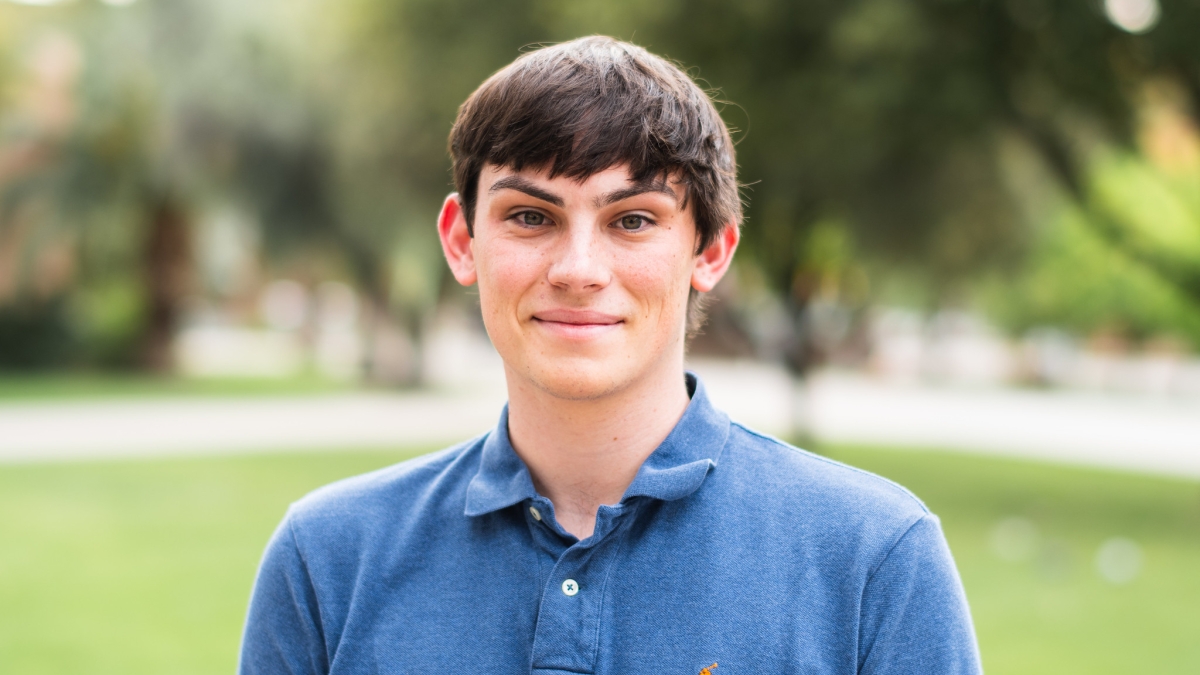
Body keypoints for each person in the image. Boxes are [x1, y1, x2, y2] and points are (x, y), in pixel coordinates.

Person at [239, 36, 982, 675]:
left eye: (632, 219)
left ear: (712, 249)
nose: (579, 267)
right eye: (531, 216)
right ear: (463, 241)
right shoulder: (326, 561)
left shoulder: (877, 559)